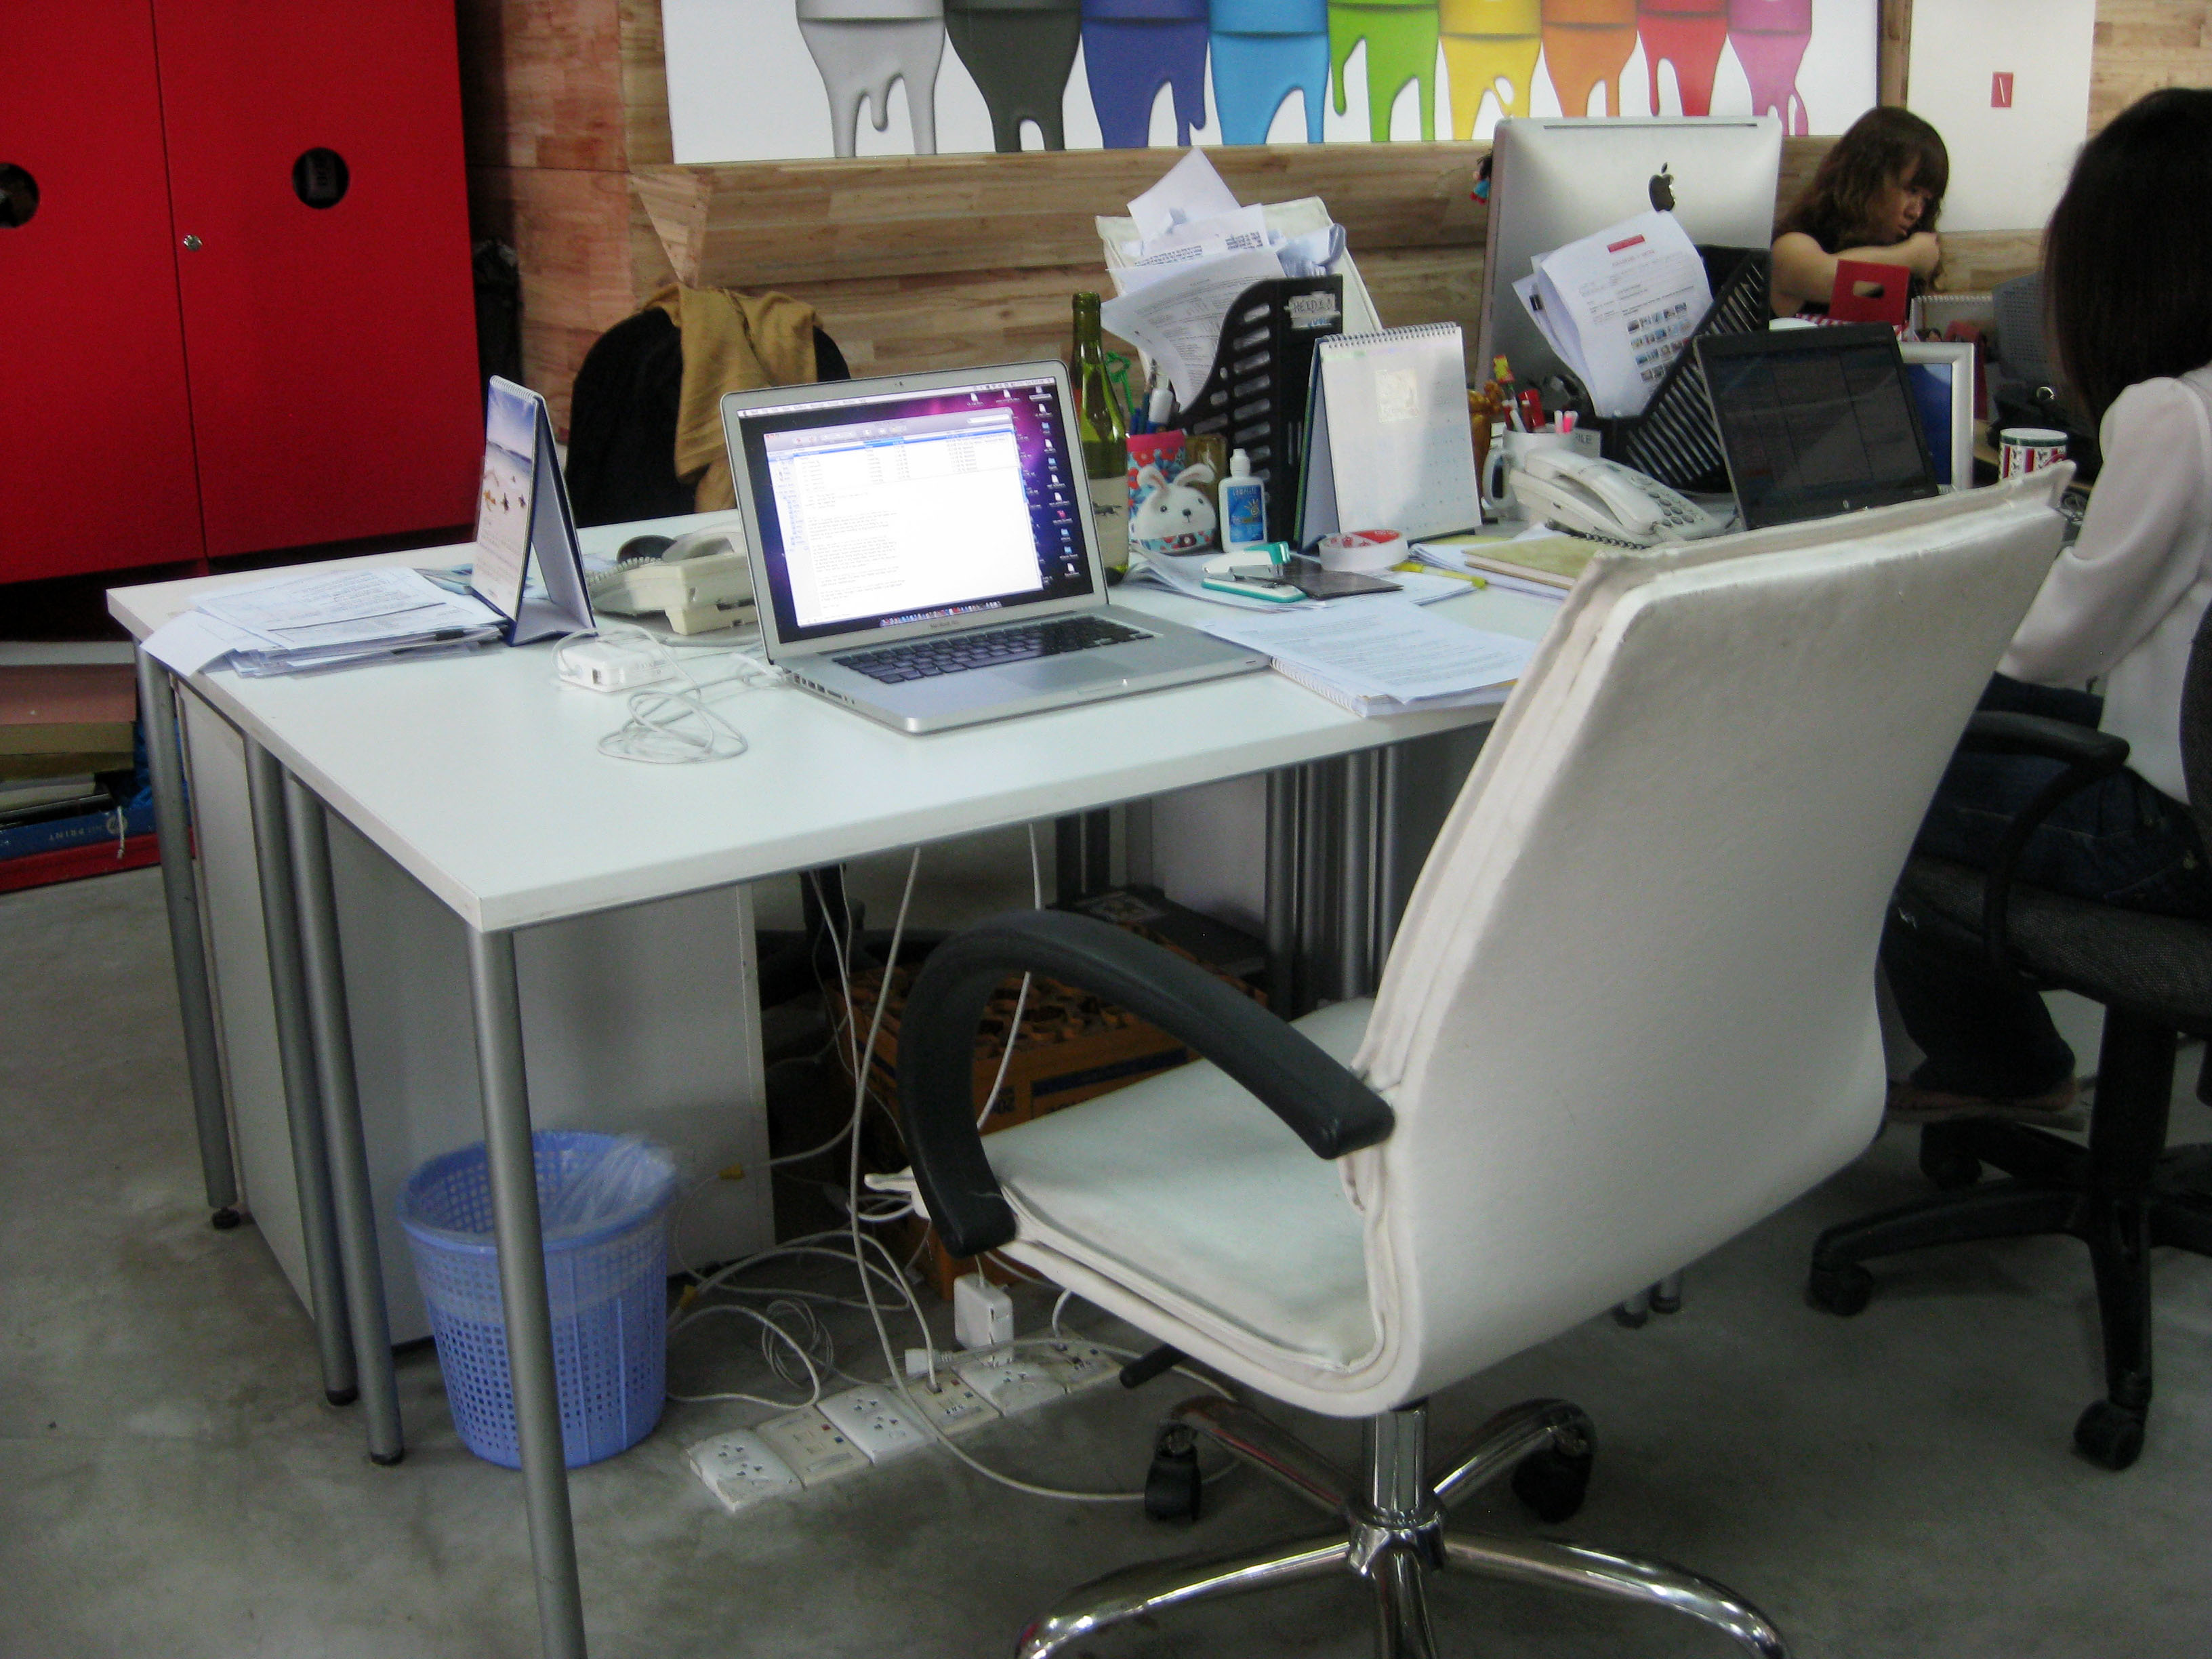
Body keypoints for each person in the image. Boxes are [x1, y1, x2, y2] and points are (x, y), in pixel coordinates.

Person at [1885, 87, 2212, 1123]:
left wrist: (1931, 590)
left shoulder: (2175, 413)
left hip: (2166, 833)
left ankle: (2006, 1065)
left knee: (1866, 769)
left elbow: (2053, 646)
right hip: (2192, 794)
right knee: (1938, 711)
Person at [1769, 106, 1948, 318]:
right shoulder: (1793, 244)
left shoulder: (1905, 248)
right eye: (1912, 191)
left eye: (1926, 200)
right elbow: (1828, 279)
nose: (1916, 212)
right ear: (1868, 177)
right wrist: (1911, 256)